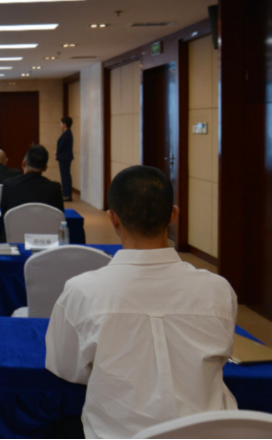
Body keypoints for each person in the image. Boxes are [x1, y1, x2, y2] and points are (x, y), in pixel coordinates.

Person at [46, 166, 237, 438]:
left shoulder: (83, 291)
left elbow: (66, 368)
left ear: (113, 219)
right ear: (173, 215)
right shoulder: (218, 290)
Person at [0, 145, 65, 217]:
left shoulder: (9, 185)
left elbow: (4, 216)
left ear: (23, 163)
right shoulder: (55, 188)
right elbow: (60, 217)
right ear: (45, 168)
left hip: (16, 224)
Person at [56, 116, 75, 201]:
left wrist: (56, 151)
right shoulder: (66, 132)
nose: (60, 124)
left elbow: (62, 145)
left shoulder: (67, 133)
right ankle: (65, 194)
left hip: (65, 157)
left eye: (62, 122)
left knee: (65, 176)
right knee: (64, 176)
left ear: (65, 124)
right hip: (64, 157)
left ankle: (67, 195)